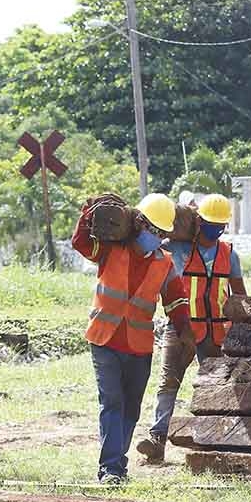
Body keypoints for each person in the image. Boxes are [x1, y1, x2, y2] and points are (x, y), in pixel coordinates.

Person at [72, 193, 196, 484]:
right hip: (105, 339)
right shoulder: (110, 248)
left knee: (131, 408)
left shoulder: (164, 263)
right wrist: (88, 213)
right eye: (151, 229)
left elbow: (176, 300)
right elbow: (80, 243)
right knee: (112, 402)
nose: (155, 236)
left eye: (160, 233)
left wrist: (186, 332)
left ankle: (118, 463)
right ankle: (111, 468)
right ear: (137, 223)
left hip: (138, 345)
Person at [136, 193, 246, 463]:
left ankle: (216, 439)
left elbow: (240, 295)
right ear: (199, 222)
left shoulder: (229, 254)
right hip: (181, 327)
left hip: (217, 332)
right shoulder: (178, 249)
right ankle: (157, 439)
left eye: (219, 228)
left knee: (217, 388)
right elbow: (157, 239)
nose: (214, 233)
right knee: (168, 383)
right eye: (209, 226)